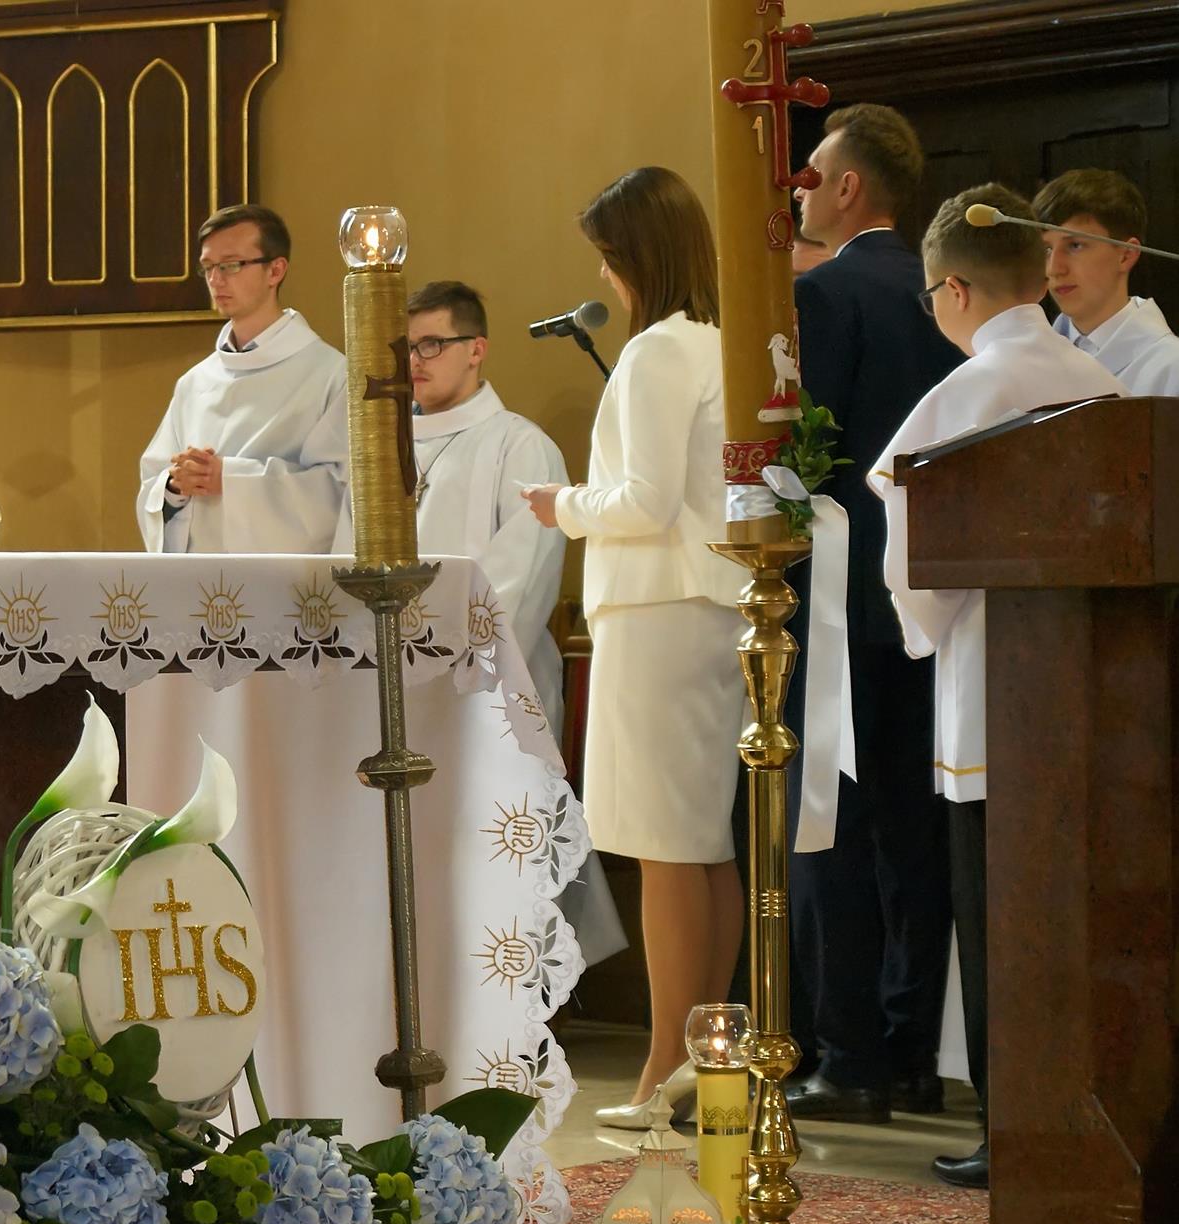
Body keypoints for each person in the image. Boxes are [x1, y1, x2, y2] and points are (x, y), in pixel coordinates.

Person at [868, 183, 1123, 1188]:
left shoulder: (968, 388)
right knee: (1079, 920)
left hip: (991, 686)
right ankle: (1083, 1123)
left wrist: (920, 629)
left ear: (952, 291)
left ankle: (1009, 1130)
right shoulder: (1094, 377)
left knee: (997, 918)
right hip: (1096, 692)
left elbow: (909, 538)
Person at [525, 167, 746, 1126]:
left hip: (659, 610)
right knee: (700, 846)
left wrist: (562, 505)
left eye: (607, 257)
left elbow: (644, 502)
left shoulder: (658, 350)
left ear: (636, 256)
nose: (603, 276)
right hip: (699, 604)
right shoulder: (715, 341)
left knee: (664, 848)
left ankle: (662, 1072)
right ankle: (707, 1062)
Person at [782, 104, 964, 1125]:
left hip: (842, 595)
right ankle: (907, 1053)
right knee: (914, 827)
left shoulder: (825, 292)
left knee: (829, 823)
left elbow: (801, 452)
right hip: (932, 594)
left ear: (847, 186)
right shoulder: (942, 292)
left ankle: (844, 1056)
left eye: (812, 172)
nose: (800, 189)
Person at [332, 280, 570, 728]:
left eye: (432, 344)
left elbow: (520, 587)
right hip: (380, 687)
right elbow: (345, 566)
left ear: (476, 350)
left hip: (485, 694)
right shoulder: (379, 453)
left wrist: (441, 668)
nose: (414, 360)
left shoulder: (521, 447)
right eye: (407, 347)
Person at [136, 205, 347, 552]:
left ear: (275, 270)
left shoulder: (330, 374)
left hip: (285, 581)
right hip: (200, 580)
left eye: (231, 265)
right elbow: (154, 484)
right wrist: (175, 487)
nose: (216, 280)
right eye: (208, 267)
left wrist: (229, 479)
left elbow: (338, 495)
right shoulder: (195, 383)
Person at [1034, 168, 1179, 396]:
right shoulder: (1032, 359)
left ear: (1126, 255)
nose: (1054, 269)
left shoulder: (1170, 368)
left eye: (1075, 246)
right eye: (1047, 249)